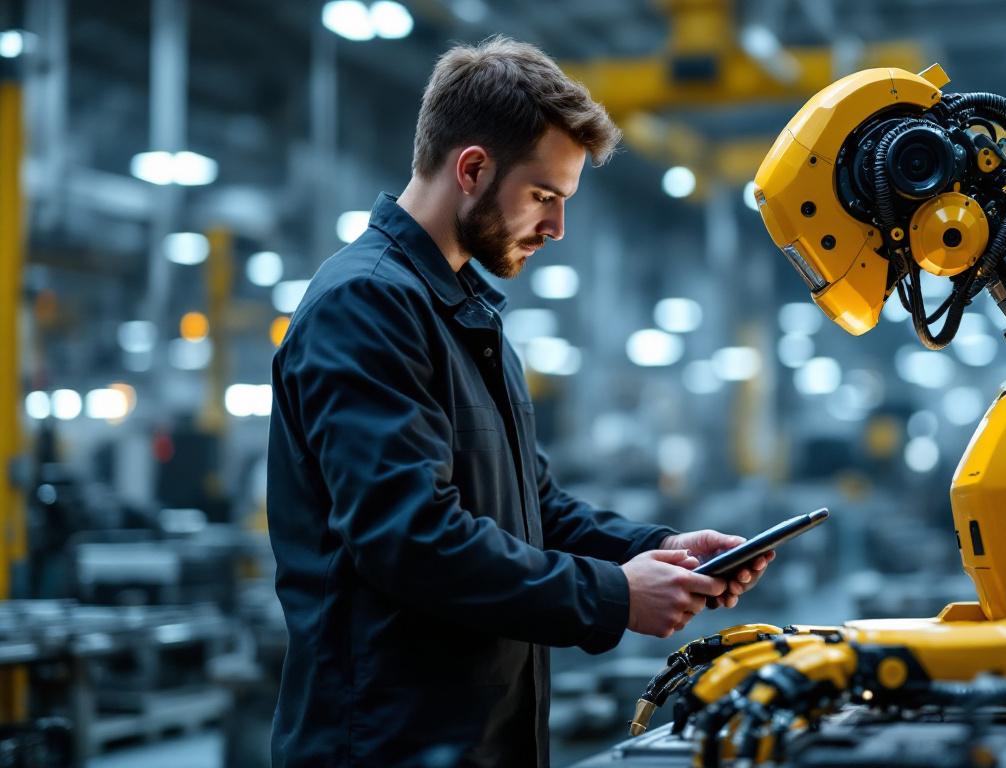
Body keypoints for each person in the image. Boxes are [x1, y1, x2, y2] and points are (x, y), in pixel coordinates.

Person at [266, 36, 773, 768]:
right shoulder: (367, 304)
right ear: (472, 168)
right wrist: (611, 596)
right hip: (383, 744)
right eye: (544, 197)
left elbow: (533, 509)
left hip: (479, 736)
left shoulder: (466, 312)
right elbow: (409, 538)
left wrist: (652, 552)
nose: (557, 228)